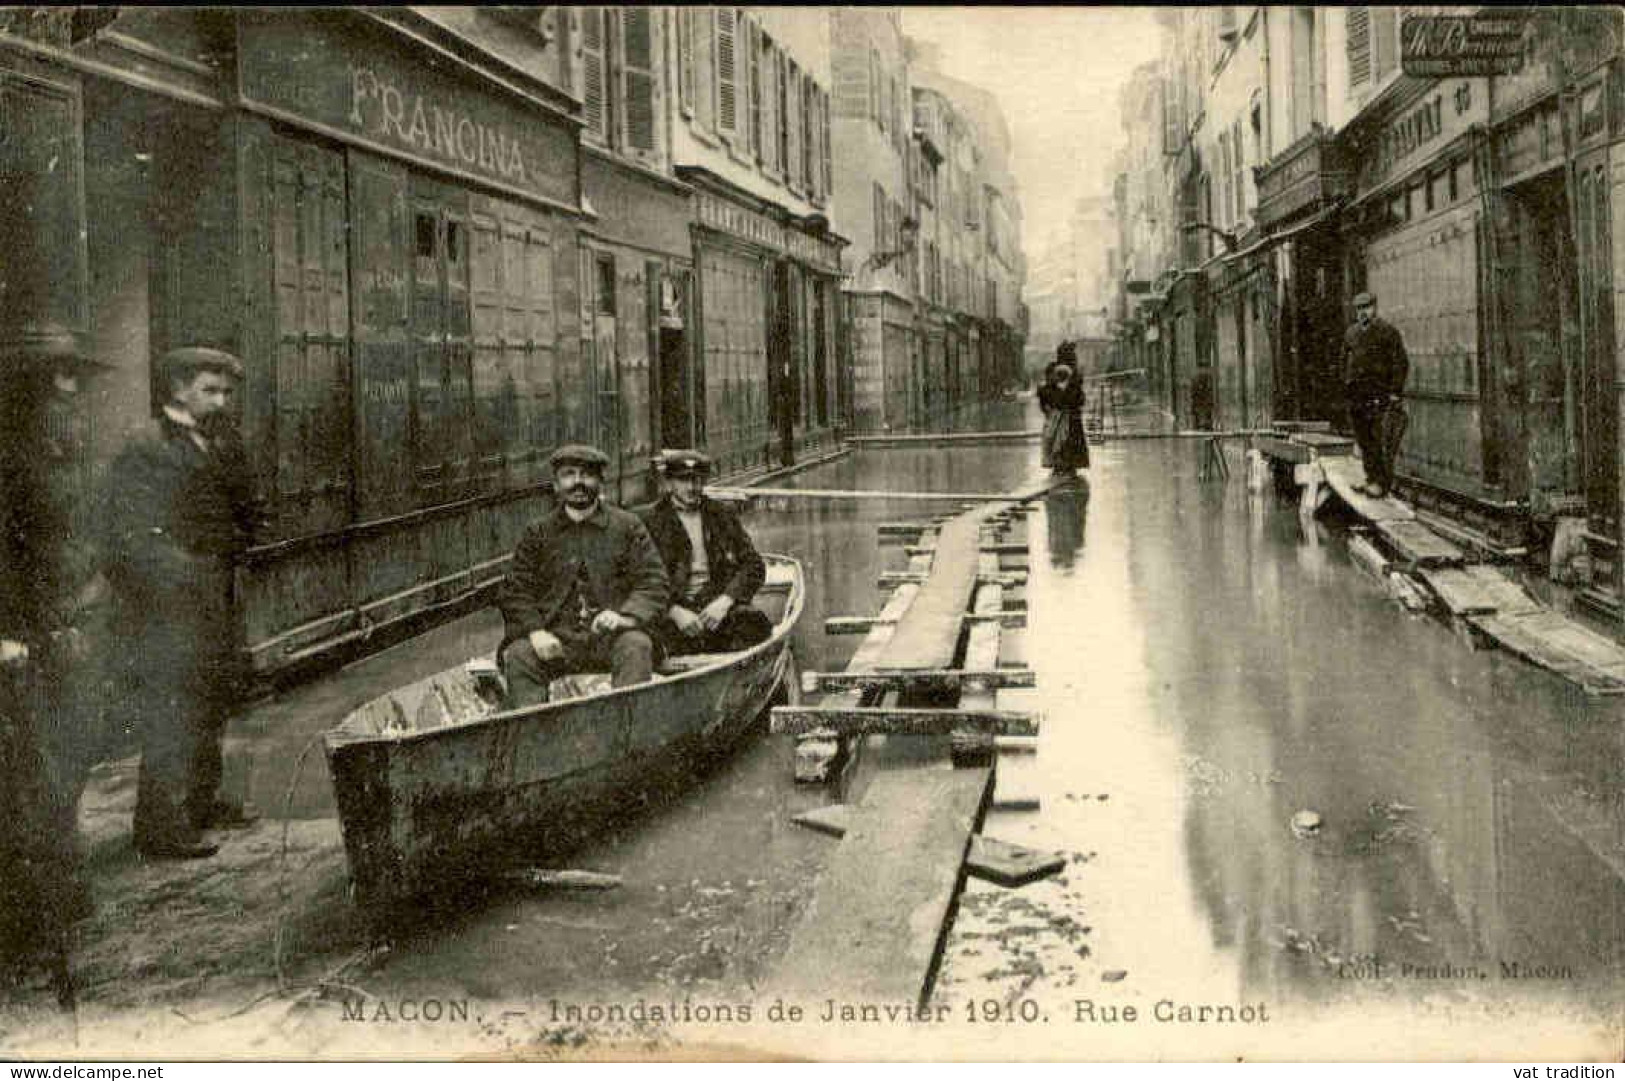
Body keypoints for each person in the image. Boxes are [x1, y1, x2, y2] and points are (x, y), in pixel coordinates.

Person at [103, 347, 263, 861]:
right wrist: (180, 575)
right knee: (173, 704)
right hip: (169, 600)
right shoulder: (146, 448)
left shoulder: (218, 442)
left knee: (211, 696)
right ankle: (162, 825)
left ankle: (201, 800)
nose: (221, 401)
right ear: (177, 389)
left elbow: (244, 507)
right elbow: (130, 535)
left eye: (226, 392)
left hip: (215, 587)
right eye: (209, 390)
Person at [0, 322, 111, 1003]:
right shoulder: (10, 459)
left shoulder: (68, 451)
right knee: (32, 778)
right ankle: (27, 923)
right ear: (27, 390)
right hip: (28, 638)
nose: (70, 392)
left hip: (78, 626)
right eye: (57, 379)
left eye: (74, 378)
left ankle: (60, 892)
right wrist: (7, 631)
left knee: (68, 761)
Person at [497, 444, 671, 707]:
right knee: (520, 655)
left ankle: (626, 730)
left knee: (636, 646)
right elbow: (515, 590)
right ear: (556, 485)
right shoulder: (538, 532)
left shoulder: (627, 526)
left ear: (600, 482)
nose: (578, 482)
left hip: (611, 640)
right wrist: (535, 632)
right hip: (557, 640)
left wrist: (625, 616)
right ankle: (533, 737)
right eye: (568, 475)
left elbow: (654, 581)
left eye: (587, 475)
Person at [639, 449, 773, 656]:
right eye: (684, 480)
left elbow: (753, 565)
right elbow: (638, 578)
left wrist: (726, 600)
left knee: (756, 625)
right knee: (645, 641)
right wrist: (673, 611)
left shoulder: (722, 514)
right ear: (669, 483)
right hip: (673, 611)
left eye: (698, 480)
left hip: (716, 608)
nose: (693, 487)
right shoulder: (648, 521)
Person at [1343, 291, 1410, 499]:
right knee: (1363, 438)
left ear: (1375, 308)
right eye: (1359, 309)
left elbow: (1401, 363)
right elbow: (1343, 360)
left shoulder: (1387, 332)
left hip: (1379, 394)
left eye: (1367, 308)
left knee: (1377, 438)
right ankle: (1370, 478)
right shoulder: (1351, 334)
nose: (1363, 313)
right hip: (1357, 396)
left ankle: (1381, 483)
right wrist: (1346, 384)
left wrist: (1395, 392)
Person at [1038, 343, 1089, 476]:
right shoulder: (1072, 372)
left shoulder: (1059, 371)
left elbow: (1045, 394)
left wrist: (1047, 408)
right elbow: (1076, 396)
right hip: (1067, 413)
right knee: (1065, 439)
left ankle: (1061, 464)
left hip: (1060, 413)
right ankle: (1067, 464)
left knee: (1058, 439)